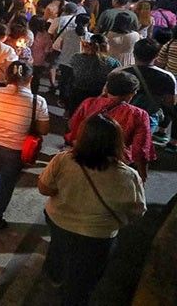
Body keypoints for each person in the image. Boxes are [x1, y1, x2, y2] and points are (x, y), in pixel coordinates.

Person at [38, 115, 146, 305]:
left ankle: (55, 276)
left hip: (59, 221)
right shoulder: (128, 176)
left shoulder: (63, 160)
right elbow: (137, 211)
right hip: (98, 235)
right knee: (84, 277)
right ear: (117, 142)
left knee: (60, 247)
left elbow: (44, 188)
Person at [0, 61, 49, 232]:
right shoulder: (37, 101)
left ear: (6, 77)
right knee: (8, 182)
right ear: (30, 79)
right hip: (16, 149)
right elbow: (44, 129)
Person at [66, 71, 156, 182]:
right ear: (131, 93)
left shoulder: (88, 103)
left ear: (106, 88)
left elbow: (72, 126)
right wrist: (143, 176)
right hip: (114, 164)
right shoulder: (138, 114)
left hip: (83, 157)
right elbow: (140, 150)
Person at [123, 38, 177, 151]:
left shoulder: (121, 72)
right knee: (141, 146)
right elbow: (169, 102)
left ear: (134, 53)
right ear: (156, 55)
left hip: (123, 113)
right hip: (149, 116)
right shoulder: (167, 77)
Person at [68, 34, 121, 114]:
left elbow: (72, 71)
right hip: (98, 96)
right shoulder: (113, 63)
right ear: (104, 46)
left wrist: (85, 52)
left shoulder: (76, 57)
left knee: (76, 117)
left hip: (78, 94)